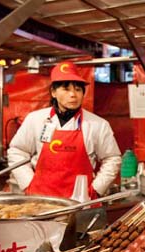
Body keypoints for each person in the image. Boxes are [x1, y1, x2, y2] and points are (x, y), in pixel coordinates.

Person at [8, 61, 121, 199]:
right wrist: (28, 183)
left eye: (78, 89)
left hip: (81, 201)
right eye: (66, 89)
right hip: (41, 201)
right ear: (53, 92)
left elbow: (112, 158)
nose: (73, 95)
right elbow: (17, 151)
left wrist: (97, 189)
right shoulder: (35, 120)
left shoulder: (98, 124)